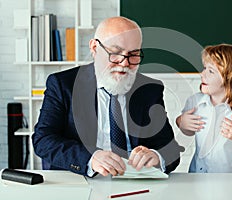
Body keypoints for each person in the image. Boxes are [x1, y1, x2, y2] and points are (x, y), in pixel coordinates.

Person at [32, 16, 181, 177]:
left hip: (135, 182)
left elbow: (171, 149)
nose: (124, 63)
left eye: (133, 55)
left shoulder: (149, 89)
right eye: (116, 53)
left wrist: (156, 156)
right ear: (95, 48)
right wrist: (90, 158)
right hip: (81, 179)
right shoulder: (63, 84)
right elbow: (43, 140)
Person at [176, 44, 232, 173]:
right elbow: (187, 131)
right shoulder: (195, 101)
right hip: (197, 178)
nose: (202, 74)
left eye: (211, 71)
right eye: (204, 68)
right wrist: (181, 121)